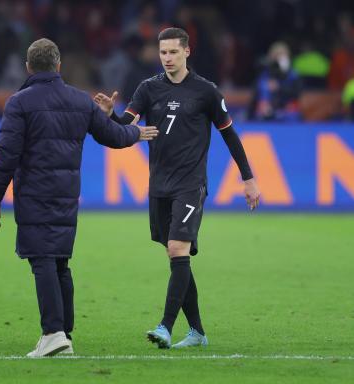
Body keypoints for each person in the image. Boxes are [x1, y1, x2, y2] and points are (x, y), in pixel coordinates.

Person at [0, 38, 158, 358]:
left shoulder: (19, 103)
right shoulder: (80, 101)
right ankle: (64, 334)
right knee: (60, 262)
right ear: (59, 66)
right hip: (66, 195)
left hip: (34, 195)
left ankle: (53, 333)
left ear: (28, 67)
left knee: (43, 260)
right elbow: (114, 136)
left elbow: (6, 154)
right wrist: (135, 132)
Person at [94, 27, 260, 349]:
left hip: (190, 183)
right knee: (177, 257)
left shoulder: (206, 92)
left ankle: (165, 327)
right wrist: (108, 116)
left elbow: (230, 135)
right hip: (159, 185)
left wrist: (248, 178)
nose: (167, 58)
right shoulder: (147, 89)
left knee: (177, 249)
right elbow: (124, 128)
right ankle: (197, 332)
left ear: (187, 52)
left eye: (173, 52)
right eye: (163, 53)